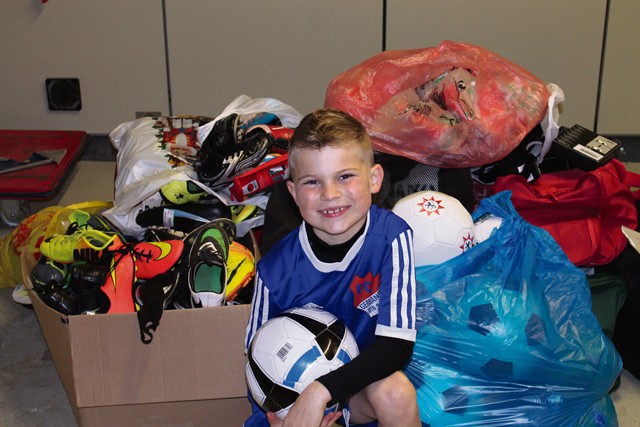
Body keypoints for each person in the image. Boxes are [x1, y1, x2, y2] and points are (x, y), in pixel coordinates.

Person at [244, 109, 421, 427]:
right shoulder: (274, 272)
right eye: (313, 182)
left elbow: (396, 347)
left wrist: (320, 391)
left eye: (345, 176)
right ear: (294, 193)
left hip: (358, 392)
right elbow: (258, 364)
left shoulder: (392, 237)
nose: (330, 194)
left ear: (374, 178)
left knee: (396, 393)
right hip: (299, 409)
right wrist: (288, 413)